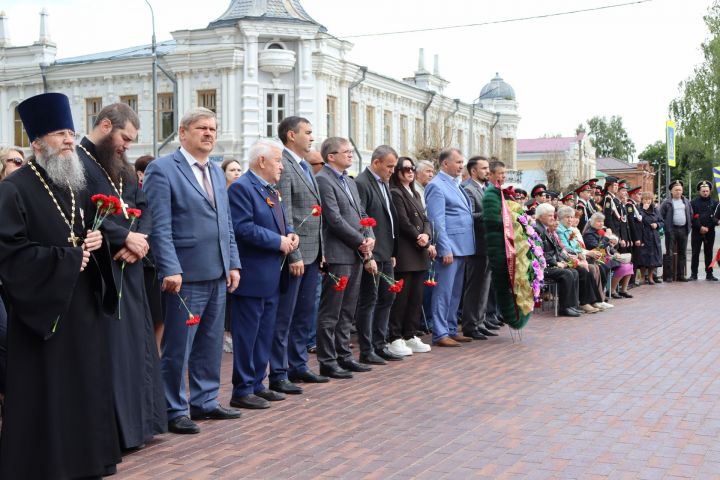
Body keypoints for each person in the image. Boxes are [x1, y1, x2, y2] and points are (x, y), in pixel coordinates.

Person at [0, 92, 121, 478]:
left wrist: (97, 244)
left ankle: (85, 461)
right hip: (43, 312)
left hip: (81, 305)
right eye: (59, 134)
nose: (70, 140)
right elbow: (10, 254)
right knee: (47, 390)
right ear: (37, 143)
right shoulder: (14, 188)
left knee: (84, 385)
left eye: (70, 132)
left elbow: (82, 234)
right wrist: (66, 260)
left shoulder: (75, 184)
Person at [144, 107, 242, 435]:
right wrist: (170, 268)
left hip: (216, 272)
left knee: (211, 342)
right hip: (183, 276)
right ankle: (173, 409)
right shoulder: (163, 169)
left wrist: (233, 262)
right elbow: (159, 224)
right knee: (178, 345)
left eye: (213, 128)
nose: (209, 134)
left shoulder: (215, 171)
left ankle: (205, 401)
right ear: (183, 133)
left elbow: (224, 222)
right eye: (201, 128)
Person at [77, 103, 166, 450]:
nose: (127, 146)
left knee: (138, 347)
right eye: (124, 138)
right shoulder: (79, 163)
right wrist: (122, 237)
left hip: (131, 264)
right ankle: (119, 430)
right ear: (104, 125)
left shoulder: (121, 165)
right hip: (105, 268)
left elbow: (143, 206)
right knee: (116, 350)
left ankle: (141, 425)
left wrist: (139, 239)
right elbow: (82, 212)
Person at [228, 139, 298, 409]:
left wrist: (290, 233)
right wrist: (277, 241)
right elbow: (242, 227)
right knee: (248, 335)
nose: (282, 166)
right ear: (261, 161)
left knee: (264, 333)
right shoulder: (242, 188)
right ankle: (242, 389)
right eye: (278, 160)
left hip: (271, 275)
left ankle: (257, 383)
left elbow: (281, 220)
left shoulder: (270, 189)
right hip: (253, 275)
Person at [270, 116, 328, 396]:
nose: (312, 137)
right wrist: (293, 256)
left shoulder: (304, 165)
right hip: (295, 255)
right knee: (286, 317)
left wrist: (321, 253)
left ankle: (298, 364)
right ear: (291, 135)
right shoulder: (284, 164)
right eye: (308, 132)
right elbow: (286, 213)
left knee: (305, 314)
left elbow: (314, 214)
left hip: (312, 253)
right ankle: (279, 372)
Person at [315, 137, 375, 378]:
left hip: (355, 253)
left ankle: (344, 355)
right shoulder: (323, 180)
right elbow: (334, 218)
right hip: (338, 253)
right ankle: (327, 360)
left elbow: (362, 212)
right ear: (331, 156)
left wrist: (369, 234)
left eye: (351, 151)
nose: (351, 155)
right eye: (346, 152)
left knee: (348, 309)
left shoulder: (349, 182)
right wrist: (360, 241)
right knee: (331, 310)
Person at [355, 145, 404, 361]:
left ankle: (380, 343)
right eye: (389, 166)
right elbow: (362, 220)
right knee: (369, 300)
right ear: (376, 163)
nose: (392, 171)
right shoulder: (362, 183)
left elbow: (389, 219)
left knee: (387, 297)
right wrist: (369, 256)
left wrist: (392, 250)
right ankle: (367, 350)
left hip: (386, 252)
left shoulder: (383, 183)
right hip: (373, 253)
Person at [425, 148, 475, 346]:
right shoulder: (436, 185)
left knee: (455, 292)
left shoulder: (456, 184)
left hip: (462, 246)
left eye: (463, 162)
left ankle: (452, 328)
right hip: (450, 248)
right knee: (443, 292)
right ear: (445, 164)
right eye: (458, 162)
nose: (462, 166)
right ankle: (440, 333)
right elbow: (437, 221)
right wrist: (444, 248)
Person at [387, 157, 434, 353]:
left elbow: (425, 219)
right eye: (405, 168)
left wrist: (427, 235)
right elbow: (403, 221)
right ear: (397, 171)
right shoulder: (395, 192)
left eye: (412, 168)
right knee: (402, 297)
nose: (410, 172)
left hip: (419, 250)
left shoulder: (415, 192)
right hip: (406, 250)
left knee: (416, 297)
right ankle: (395, 336)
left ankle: (410, 333)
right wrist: (419, 236)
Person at [460, 156, 496, 340]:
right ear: (473, 171)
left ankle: (479, 322)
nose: (487, 171)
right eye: (483, 168)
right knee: (475, 287)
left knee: (485, 286)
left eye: (488, 168)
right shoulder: (468, 189)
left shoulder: (486, 188)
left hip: (488, 244)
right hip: (476, 245)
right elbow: (468, 216)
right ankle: (469, 324)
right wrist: (489, 214)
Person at [135, 154, 164, 352]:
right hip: (143, 261)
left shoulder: (158, 191)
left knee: (159, 314)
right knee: (147, 314)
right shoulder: (135, 192)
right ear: (140, 174)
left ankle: (156, 355)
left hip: (156, 262)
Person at [556, 206, 607, 312]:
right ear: (560, 218)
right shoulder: (559, 230)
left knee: (591, 269)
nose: (570, 220)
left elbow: (577, 246)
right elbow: (566, 248)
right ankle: (584, 303)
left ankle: (593, 301)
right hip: (565, 259)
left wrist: (586, 252)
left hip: (575, 257)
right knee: (585, 271)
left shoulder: (569, 230)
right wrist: (581, 254)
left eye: (571, 217)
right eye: (567, 217)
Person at [534, 203, 582, 317]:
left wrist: (564, 261)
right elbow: (541, 253)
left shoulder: (546, 229)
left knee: (574, 272)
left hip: (550, 263)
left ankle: (572, 305)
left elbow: (556, 250)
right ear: (541, 216)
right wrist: (556, 263)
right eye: (550, 215)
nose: (553, 218)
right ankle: (564, 308)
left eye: (553, 215)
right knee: (566, 274)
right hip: (542, 267)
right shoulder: (537, 229)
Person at [583, 212, 634, 297]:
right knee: (622, 266)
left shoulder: (600, 232)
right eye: (598, 221)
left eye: (602, 221)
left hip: (605, 256)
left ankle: (623, 290)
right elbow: (598, 248)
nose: (601, 223)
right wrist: (606, 237)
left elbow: (609, 246)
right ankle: (611, 290)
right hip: (596, 258)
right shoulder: (589, 234)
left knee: (629, 265)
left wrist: (615, 252)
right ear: (592, 222)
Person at [659, 180, 692, 282]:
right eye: (676, 190)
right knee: (669, 253)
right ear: (671, 191)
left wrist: (689, 226)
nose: (678, 192)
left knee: (682, 253)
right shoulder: (667, 202)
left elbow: (690, 214)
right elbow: (661, 216)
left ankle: (680, 275)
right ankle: (669, 276)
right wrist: (666, 227)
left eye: (680, 190)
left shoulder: (686, 201)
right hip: (671, 230)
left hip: (683, 230)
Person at [690, 180, 719, 281]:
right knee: (695, 253)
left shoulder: (715, 203)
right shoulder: (693, 203)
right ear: (699, 191)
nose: (705, 192)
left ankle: (709, 274)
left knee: (709, 253)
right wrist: (700, 227)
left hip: (710, 231)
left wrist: (708, 227)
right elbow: (692, 217)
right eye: (703, 191)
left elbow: (716, 217)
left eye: (707, 191)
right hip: (697, 231)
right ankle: (694, 274)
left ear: (710, 191)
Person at [637, 191, 664, 284]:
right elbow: (638, 219)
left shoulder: (655, 209)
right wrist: (643, 210)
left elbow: (661, 221)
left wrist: (657, 225)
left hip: (654, 236)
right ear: (642, 200)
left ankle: (651, 277)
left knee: (654, 257)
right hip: (644, 235)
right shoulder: (639, 209)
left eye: (649, 199)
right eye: (645, 199)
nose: (647, 201)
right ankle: (642, 277)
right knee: (643, 256)